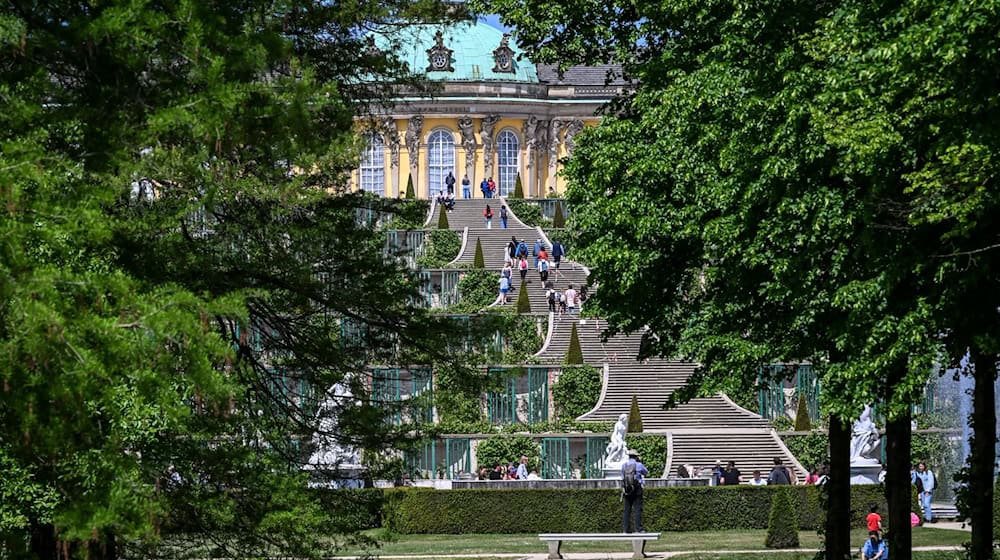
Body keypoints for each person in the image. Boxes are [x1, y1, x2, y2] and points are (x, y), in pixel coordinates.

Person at [621, 449, 649, 533]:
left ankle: (626, 529)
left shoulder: (624, 465)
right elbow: (646, 472)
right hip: (637, 489)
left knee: (627, 510)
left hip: (627, 489)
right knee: (637, 509)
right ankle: (638, 528)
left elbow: (622, 477)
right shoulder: (639, 465)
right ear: (636, 456)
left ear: (629, 456)